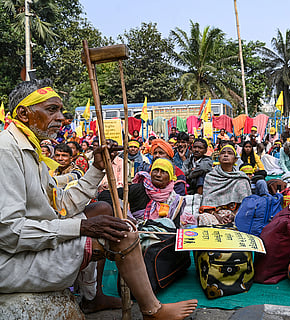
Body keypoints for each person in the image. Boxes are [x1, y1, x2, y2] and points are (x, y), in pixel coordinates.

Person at [0, 79, 197, 320]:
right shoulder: (6, 151)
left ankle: (94, 296)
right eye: (52, 109)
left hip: (28, 248)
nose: (62, 118)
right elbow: (10, 233)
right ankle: (152, 310)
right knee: (124, 237)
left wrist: (97, 169)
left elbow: (61, 205)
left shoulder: (32, 151)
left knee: (105, 213)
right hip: (12, 261)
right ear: (23, 113)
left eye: (61, 110)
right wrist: (84, 227)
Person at [199, 145, 252, 225]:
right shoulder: (211, 176)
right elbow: (206, 203)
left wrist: (233, 215)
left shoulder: (241, 178)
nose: (226, 155)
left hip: (236, 213)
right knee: (204, 218)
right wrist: (218, 217)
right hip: (215, 215)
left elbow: (245, 203)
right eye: (223, 153)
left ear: (235, 159)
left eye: (229, 153)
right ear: (219, 158)